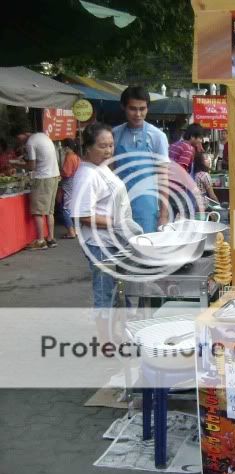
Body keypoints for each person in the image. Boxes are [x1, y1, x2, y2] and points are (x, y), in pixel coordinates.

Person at [70, 123, 143, 337]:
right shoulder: (87, 175)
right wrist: (116, 222)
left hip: (114, 242)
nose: (108, 150)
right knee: (104, 294)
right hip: (99, 244)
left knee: (117, 292)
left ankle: (117, 334)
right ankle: (105, 342)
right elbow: (82, 215)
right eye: (102, 146)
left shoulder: (101, 168)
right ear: (88, 147)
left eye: (111, 145)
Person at [112, 85, 170, 233]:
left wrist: (163, 214)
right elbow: (110, 172)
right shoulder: (114, 134)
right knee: (121, 250)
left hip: (146, 205)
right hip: (120, 204)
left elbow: (163, 178)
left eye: (142, 109)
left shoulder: (157, 136)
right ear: (123, 107)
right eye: (132, 108)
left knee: (146, 248)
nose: (138, 114)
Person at [12, 125, 60, 250]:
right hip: (54, 176)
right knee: (49, 211)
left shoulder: (31, 142)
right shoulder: (42, 136)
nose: (19, 141)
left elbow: (32, 166)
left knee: (37, 211)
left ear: (25, 133)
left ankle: (40, 241)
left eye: (19, 138)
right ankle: (50, 238)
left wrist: (16, 163)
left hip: (43, 178)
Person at [59, 138, 81, 239]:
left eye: (63, 147)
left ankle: (71, 232)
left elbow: (67, 173)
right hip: (76, 182)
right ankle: (76, 230)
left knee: (66, 208)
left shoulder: (69, 157)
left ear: (67, 147)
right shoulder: (77, 157)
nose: (62, 149)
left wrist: (60, 172)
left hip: (69, 183)